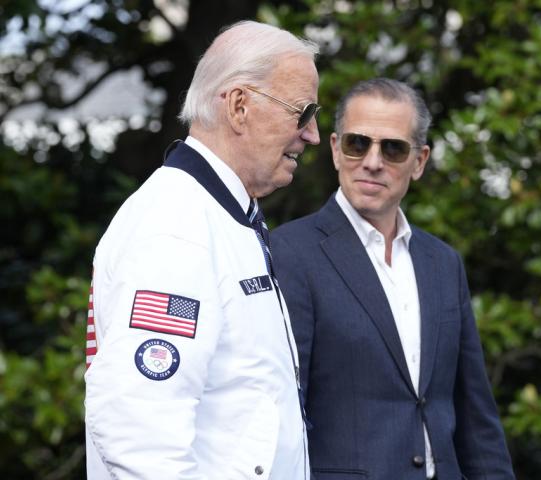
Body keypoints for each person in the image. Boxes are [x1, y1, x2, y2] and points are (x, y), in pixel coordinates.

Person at [84, 20, 321, 480]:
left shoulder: (220, 214)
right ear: (238, 106)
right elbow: (139, 434)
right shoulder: (178, 226)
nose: (311, 134)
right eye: (302, 112)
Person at [271, 78, 515, 480]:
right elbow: (280, 408)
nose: (372, 161)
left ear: (418, 161)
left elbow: (476, 415)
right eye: (357, 143)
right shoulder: (290, 253)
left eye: (393, 148)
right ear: (334, 149)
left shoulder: (442, 263)